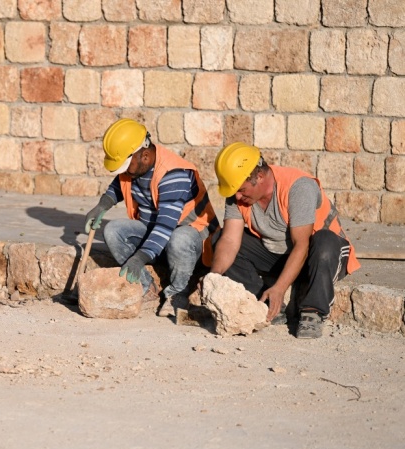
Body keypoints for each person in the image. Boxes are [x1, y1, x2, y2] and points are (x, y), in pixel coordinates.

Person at [210, 142, 360, 339]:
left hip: (318, 257)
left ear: (260, 176)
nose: (237, 196)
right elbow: (230, 240)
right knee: (219, 238)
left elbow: (302, 245)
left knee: (324, 243)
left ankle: (312, 312)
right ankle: (268, 304)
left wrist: (281, 288)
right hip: (279, 255)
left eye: (241, 189)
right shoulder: (237, 195)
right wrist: (213, 278)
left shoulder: (298, 187)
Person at [84, 118, 219, 317]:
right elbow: (118, 186)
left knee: (179, 239)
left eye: (126, 166)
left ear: (145, 156)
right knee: (113, 230)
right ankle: (146, 288)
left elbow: (165, 227)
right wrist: (102, 206)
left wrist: (139, 257)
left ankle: (178, 293)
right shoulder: (135, 168)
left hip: (190, 244)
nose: (125, 173)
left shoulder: (175, 174)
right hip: (157, 238)